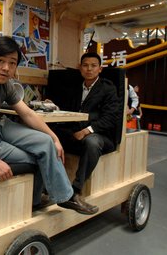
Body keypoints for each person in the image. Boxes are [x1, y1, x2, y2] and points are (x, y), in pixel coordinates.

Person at [0, 36, 97, 214]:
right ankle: (37, 200)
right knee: (38, 157)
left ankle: (65, 197)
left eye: (12, 63)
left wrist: (54, 138)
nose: (6, 68)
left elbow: (27, 113)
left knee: (46, 142)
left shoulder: (6, 85)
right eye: (0, 61)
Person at [51, 52, 121, 213]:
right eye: (85, 65)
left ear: (100, 69)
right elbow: (69, 111)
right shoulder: (76, 87)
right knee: (50, 135)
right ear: (80, 68)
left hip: (101, 137)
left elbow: (111, 118)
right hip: (75, 131)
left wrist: (87, 131)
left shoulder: (108, 88)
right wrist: (54, 107)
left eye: (93, 65)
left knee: (92, 142)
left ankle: (75, 190)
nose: (89, 69)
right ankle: (50, 185)